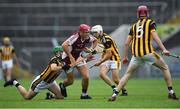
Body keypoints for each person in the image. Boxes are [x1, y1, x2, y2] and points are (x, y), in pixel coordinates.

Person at [108, 5, 179, 101]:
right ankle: (171, 92)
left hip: (136, 56)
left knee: (127, 74)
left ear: (138, 14)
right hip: (148, 53)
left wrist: (125, 57)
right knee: (165, 67)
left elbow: (126, 43)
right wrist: (164, 49)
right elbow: (155, 36)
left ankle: (115, 94)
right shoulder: (150, 23)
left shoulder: (133, 26)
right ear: (147, 13)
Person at [3, 46, 69, 100]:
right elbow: (53, 68)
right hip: (41, 81)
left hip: (51, 82)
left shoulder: (62, 61)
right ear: (57, 53)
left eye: (62, 52)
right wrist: (63, 67)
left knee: (61, 97)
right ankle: (14, 82)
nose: (62, 53)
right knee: (27, 97)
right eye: (61, 52)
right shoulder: (54, 59)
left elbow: (66, 67)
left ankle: (50, 96)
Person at [59, 24, 98, 99]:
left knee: (86, 77)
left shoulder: (87, 37)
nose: (87, 34)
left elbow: (95, 40)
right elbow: (64, 45)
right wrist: (70, 57)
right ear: (80, 32)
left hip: (78, 58)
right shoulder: (75, 37)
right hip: (67, 59)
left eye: (88, 32)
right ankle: (62, 85)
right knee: (70, 81)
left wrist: (91, 49)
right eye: (85, 32)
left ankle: (84, 94)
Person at [91, 25, 127, 96]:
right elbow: (102, 50)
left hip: (114, 59)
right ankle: (114, 88)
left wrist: (100, 61)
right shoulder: (99, 39)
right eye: (93, 33)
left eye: (95, 32)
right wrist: (92, 53)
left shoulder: (107, 39)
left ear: (100, 32)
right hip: (106, 59)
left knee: (115, 79)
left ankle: (123, 90)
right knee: (102, 74)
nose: (94, 34)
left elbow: (109, 54)